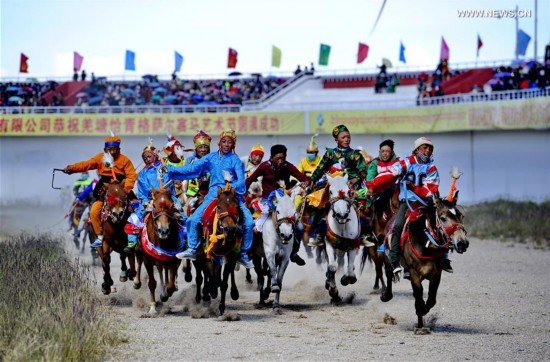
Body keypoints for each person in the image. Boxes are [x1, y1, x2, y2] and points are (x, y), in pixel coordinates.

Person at [166, 129, 254, 269]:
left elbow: (241, 181)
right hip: (213, 195)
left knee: (249, 223)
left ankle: (243, 254)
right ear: (219, 143)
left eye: (229, 142)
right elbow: (191, 169)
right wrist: (169, 168)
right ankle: (193, 249)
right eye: (224, 141)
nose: (226, 144)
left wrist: (231, 187)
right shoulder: (210, 158)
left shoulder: (236, 160)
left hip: (232, 196)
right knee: (192, 220)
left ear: (233, 145)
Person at [369, 136, 452, 275]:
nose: (428, 150)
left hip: (425, 204)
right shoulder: (406, 163)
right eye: (425, 147)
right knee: (398, 226)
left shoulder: (432, 168)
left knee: (442, 224)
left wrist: (413, 187)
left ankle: (445, 257)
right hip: (406, 203)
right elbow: (389, 175)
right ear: (417, 149)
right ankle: (395, 259)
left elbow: (429, 190)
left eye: (430, 148)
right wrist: (372, 186)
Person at [63, 133, 137, 248]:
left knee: (137, 209)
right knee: (94, 211)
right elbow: (86, 165)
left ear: (119, 149)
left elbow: (131, 176)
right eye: (109, 149)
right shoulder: (99, 158)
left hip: (122, 188)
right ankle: (99, 236)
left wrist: (124, 189)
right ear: (105, 149)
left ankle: (136, 238)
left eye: (114, 149)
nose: (112, 152)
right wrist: (71, 168)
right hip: (104, 187)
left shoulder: (125, 160)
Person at [246, 144, 311, 266]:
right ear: (272, 157)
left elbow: (303, 178)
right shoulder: (264, 166)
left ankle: (293, 253)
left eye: (283, 158)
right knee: (254, 227)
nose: (280, 161)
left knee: (300, 228)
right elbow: (250, 179)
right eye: (278, 158)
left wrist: (306, 183)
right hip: (266, 203)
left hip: (284, 203)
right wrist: (243, 192)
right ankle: (249, 251)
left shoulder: (288, 166)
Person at [307, 125, 368, 246]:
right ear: (336, 140)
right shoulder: (330, 153)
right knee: (318, 204)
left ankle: (365, 235)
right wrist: (312, 181)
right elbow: (320, 169)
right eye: (343, 137)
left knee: (365, 206)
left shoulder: (355, 155)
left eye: (348, 137)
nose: (346, 139)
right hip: (333, 185)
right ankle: (317, 234)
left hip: (351, 185)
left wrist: (354, 180)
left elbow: (362, 171)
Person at [124, 141, 184, 253]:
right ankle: (131, 242)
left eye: (149, 156)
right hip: (150, 199)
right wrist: (155, 192)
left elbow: (169, 181)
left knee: (181, 213)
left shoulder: (165, 167)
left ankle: (186, 237)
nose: (147, 158)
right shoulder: (142, 173)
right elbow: (144, 187)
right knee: (136, 217)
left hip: (168, 197)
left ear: (155, 155)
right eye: (145, 157)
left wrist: (164, 190)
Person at [181, 130, 211, 210]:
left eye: (205, 147)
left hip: (209, 195)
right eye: (200, 147)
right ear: (196, 149)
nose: (203, 150)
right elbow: (184, 179)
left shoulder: (213, 161)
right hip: (191, 195)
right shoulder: (190, 161)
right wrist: (184, 194)